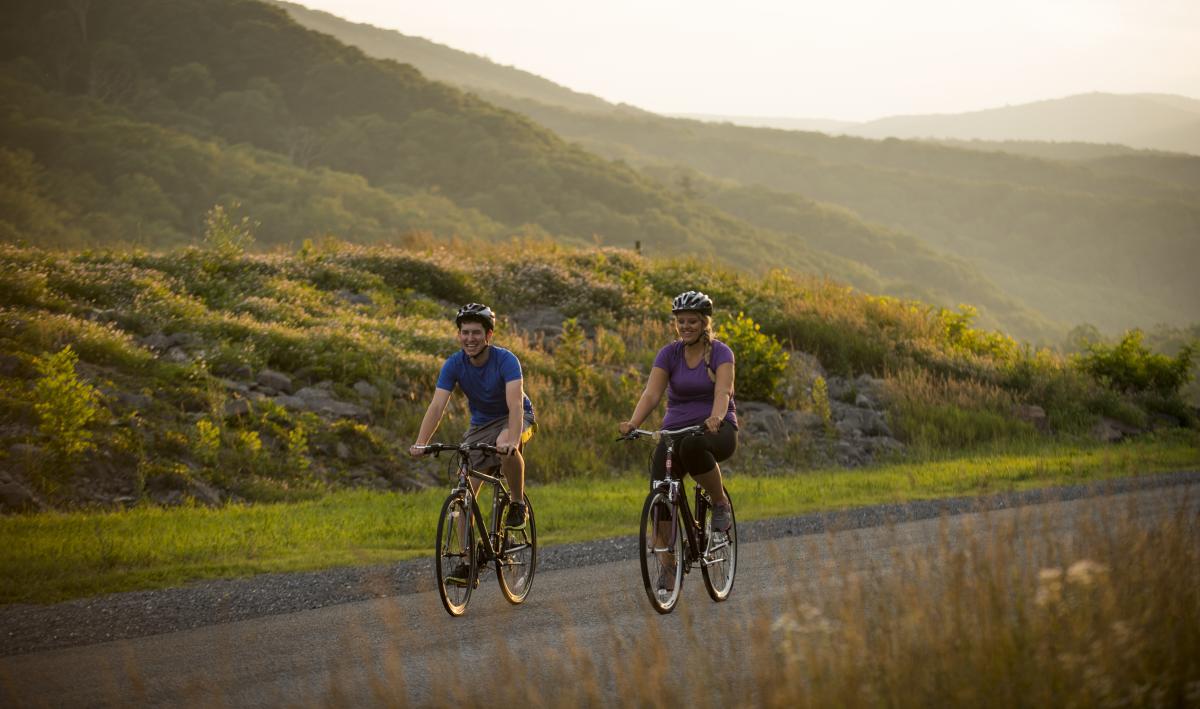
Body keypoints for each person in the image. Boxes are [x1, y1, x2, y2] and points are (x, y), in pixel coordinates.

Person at [619, 290, 737, 591]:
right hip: (674, 430)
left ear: (704, 323)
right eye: (680, 321)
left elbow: (723, 391)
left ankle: (720, 503)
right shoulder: (668, 354)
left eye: (692, 322)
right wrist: (634, 423)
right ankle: (669, 564)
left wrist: (715, 417)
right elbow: (652, 393)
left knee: (692, 446)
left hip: (715, 429)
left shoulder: (721, 353)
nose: (685, 327)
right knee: (660, 490)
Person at [410, 303, 535, 585]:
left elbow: (515, 405)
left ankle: (516, 503)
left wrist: (512, 441)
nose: (470, 338)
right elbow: (437, 405)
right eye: (465, 333)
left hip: (515, 417)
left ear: (489, 335)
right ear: (459, 336)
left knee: (506, 444)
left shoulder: (506, 360)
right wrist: (421, 443)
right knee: (463, 495)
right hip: (480, 426)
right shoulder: (454, 364)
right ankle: (468, 563)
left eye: (476, 333)